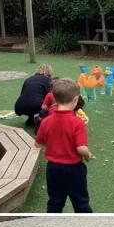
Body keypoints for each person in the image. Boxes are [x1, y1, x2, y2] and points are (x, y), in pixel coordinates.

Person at [35, 78, 93, 213]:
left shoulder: (46, 121)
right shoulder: (77, 122)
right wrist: (88, 155)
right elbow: (81, 148)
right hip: (74, 169)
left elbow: (38, 144)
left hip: (53, 169)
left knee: (55, 202)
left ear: (54, 98)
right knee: (81, 203)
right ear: (76, 99)